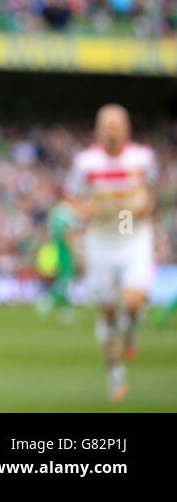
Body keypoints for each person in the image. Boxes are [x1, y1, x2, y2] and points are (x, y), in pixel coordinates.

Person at [65, 104, 158, 401]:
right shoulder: (85, 163)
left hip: (134, 239)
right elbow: (71, 199)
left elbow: (153, 193)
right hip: (101, 242)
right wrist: (87, 210)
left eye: (116, 124)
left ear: (127, 128)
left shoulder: (143, 159)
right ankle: (115, 373)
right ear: (97, 130)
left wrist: (144, 207)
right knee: (106, 312)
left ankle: (130, 332)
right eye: (106, 125)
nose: (111, 130)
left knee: (132, 301)